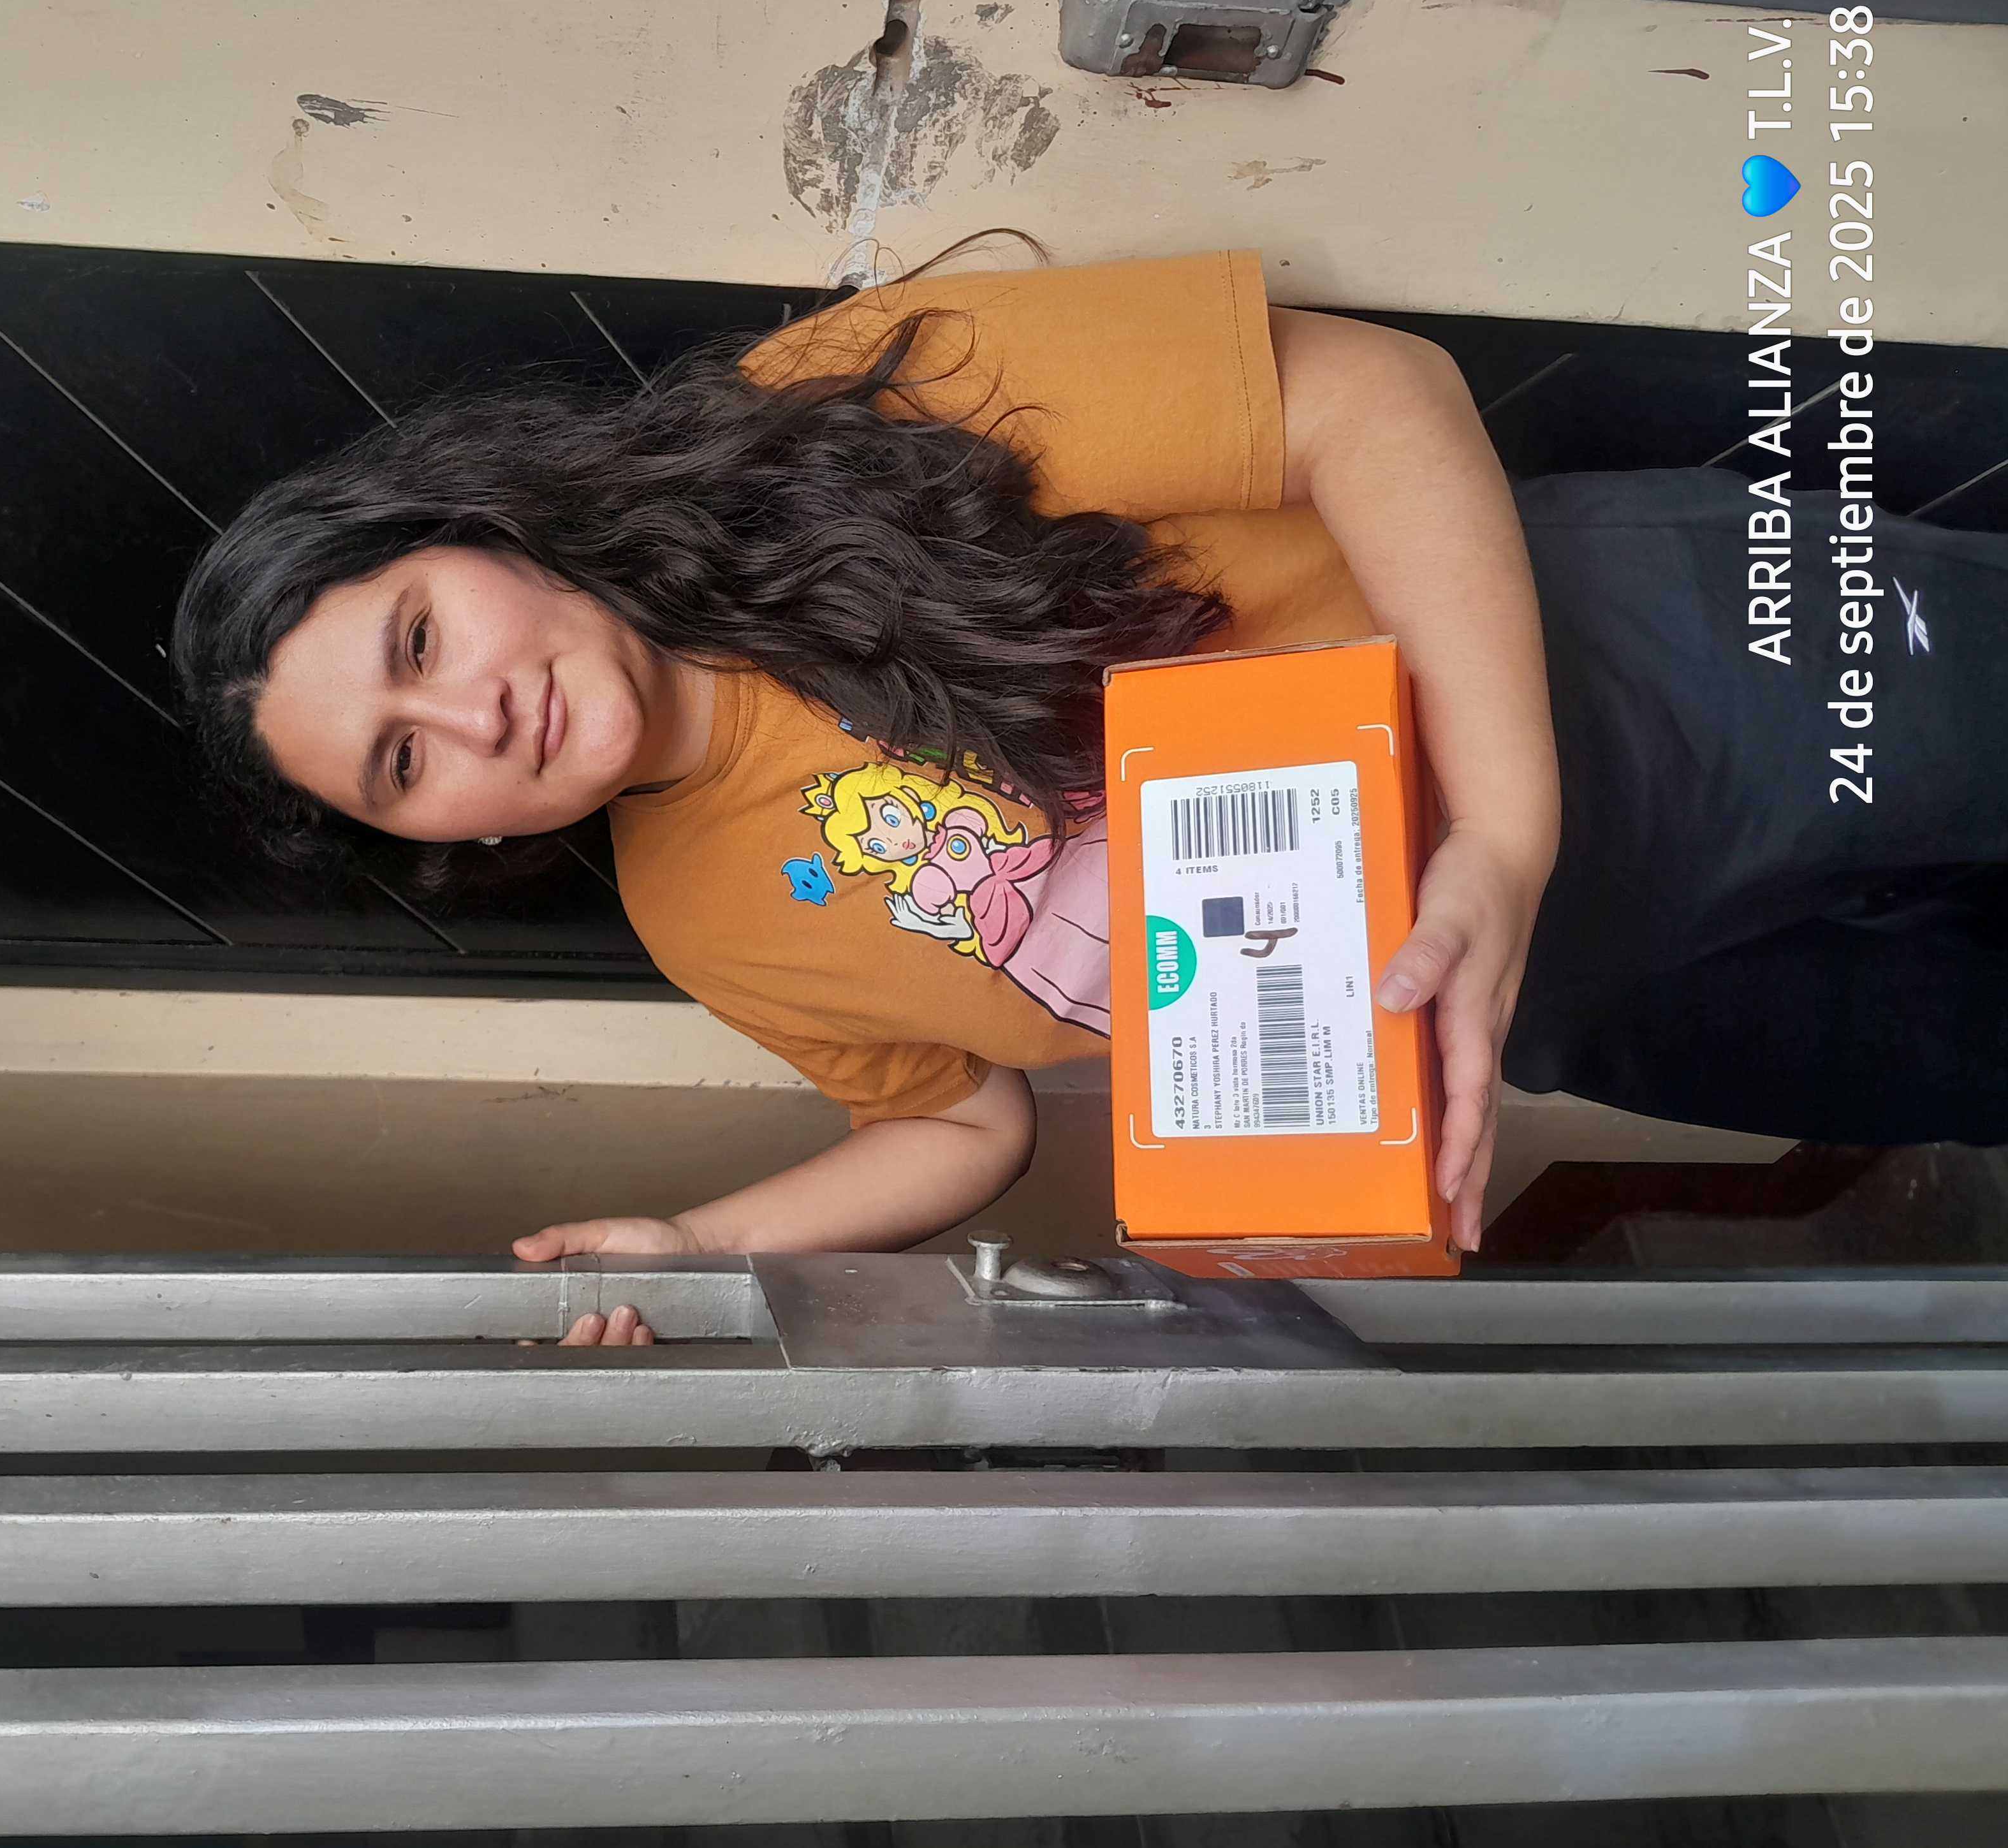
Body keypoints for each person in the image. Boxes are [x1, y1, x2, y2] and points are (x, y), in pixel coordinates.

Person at [175, 244, 2008, 1336]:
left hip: (1655, 670)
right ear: (455, 835)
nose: (473, 717)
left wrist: (1507, 837)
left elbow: (1373, 396)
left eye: (418, 635)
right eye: (403, 763)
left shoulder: (812, 412)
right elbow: (964, 1127)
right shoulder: (698, 920)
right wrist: (705, 1243)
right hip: (1544, 996)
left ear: (476, 530)